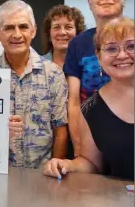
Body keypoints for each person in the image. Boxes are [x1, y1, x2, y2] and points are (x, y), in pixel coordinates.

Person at [43, 17, 134, 181]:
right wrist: (67, 165)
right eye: (111, 49)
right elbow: (92, 163)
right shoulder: (91, 110)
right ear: (98, 56)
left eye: (131, 46)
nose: (122, 55)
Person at [0, 0, 68, 168]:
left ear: (33, 31)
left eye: (23, 27)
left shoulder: (53, 74)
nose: (17, 34)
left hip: (41, 177)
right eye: (9, 27)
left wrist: (53, 171)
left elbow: (60, 130)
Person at [63, 0, 126, 157]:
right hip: (90, 142)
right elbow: (73, 102)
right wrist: (79, 149)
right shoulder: (78, 44)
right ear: (89, 2)